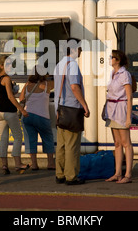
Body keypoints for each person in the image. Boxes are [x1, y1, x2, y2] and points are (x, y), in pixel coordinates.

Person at [53, 38, 90, 185]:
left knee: (61, 145)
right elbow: (75, 87)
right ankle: (71, 176)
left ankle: (60, 174)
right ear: (73, 49)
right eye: (79, 48)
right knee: (72, 145)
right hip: (72, 109)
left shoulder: (58, 65)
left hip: (60, 109)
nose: (81, 51)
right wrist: (85, 105)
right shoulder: (73, 65)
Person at [0, 55, 30, 175]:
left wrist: (8, 92)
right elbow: (10, 96)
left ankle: (4, 165)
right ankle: (18, 163)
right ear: (2, 65)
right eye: (8, 64)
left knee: (3, 138)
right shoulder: (7, 78)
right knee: (18, 137)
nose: (10, 67)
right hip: (9, 111)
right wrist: (21, 109)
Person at [104, 50, 135, 183]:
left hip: (121, 109)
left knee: (126, 143)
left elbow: (129, 96)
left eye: (112, 57)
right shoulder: (113, 73)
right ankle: (117, 173)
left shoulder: (125, 74)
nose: (110, 59)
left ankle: (128, 174)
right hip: (111, 110)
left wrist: (128, 117)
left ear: (118, 60)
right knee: (117, 143)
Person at [19, 65, 55, 170]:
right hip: (42, 116)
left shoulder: (27, 85)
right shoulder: (48, 84)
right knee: (48, 138)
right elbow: (59, 80)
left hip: (27, 115)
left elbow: (21, 99)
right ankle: (50, 164)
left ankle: (34, 164)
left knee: (31, 140)